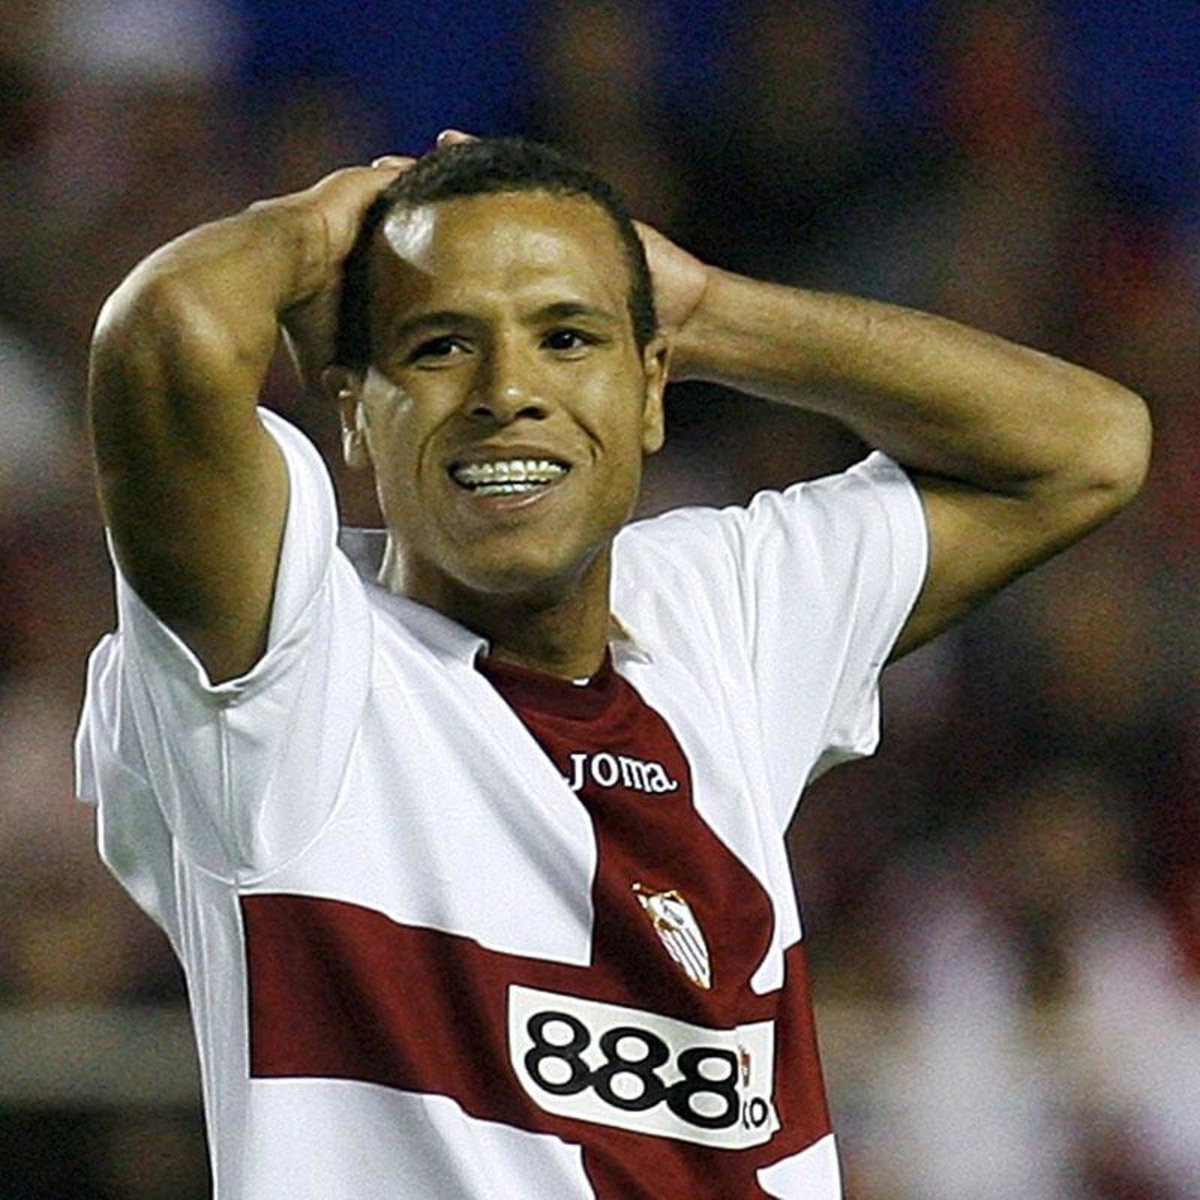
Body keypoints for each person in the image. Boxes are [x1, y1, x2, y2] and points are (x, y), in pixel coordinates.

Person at [75, 132, 1150, 1199]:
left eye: (567, 337)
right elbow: (170, 335)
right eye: (440, 345)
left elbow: (1086, 447)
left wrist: (707, 309)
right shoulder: (283, 671)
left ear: (650, 393)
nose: (507, 390)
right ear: (355, 411)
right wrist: (323, 226)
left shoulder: (716, 616)